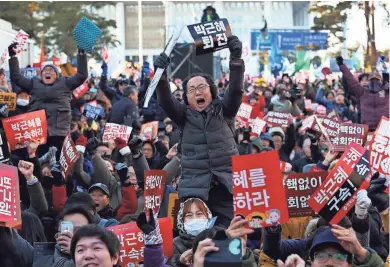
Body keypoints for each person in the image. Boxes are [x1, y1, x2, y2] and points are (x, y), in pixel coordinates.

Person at [154, 35, 244, 228]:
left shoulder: (225, 110)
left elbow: (236, 91)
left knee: (230, 237)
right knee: (198, 239)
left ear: (211, 91)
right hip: (195, 193)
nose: (197, 92)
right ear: (186, 97)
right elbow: (165, 101)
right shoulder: (183, 116)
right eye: (192, 89)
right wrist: (161, 76)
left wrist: (236, 60)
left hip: (227, 189)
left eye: (202, 87)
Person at [8, 44, 88, 155]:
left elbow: (82, 75)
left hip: (59, 133)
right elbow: (16, 76)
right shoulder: (33, 83)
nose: (47, 72)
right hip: (38, 134)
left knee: (58, 163)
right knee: (37, 161)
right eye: (45, 71)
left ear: (57, 75)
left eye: (51, 70)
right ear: (41, 75)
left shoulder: (66, 83)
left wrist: (81, 54)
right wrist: (12, 56)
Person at [337, 56, 389, 130]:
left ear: (380, 81)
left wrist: (385, 72)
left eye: (377, 80)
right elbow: (350, 79)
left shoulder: (386, 90)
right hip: (366, 129)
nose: (374, 82)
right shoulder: (362, 91)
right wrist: (342, 65)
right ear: (369, 81)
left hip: (384, 129)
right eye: (372, 80)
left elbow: (386, 80)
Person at [173, 198, 213, 267]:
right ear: (181, 220)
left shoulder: (216, 240)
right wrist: (180, 261)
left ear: (208, 216)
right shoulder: (176, 243)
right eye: (189, 215)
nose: (195, 219)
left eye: (199, 214)